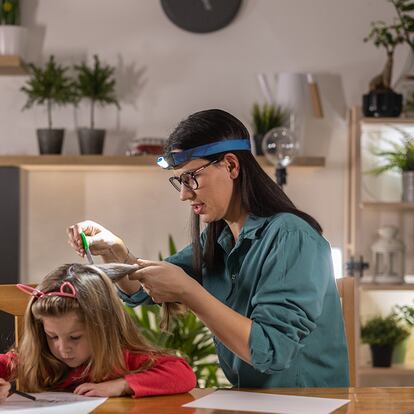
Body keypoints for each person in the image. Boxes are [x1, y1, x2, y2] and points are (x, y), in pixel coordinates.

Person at [67, 109, 349, 388]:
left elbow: (272, 351)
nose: (183, 194)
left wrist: (189, 293)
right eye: (179, 181)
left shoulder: (290, 237)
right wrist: (116, 252)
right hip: (253, 402)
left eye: (192, 178)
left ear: (230, 166)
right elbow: (143, 292)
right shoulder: (219, 239)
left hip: (308, 404)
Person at [0, 263, 196, 401]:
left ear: (103, 329)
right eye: (52, 336)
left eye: (75, 337)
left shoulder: (121, 358)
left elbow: (184, 374)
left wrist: (121, 385)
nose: (63, 348)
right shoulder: (37, 359)